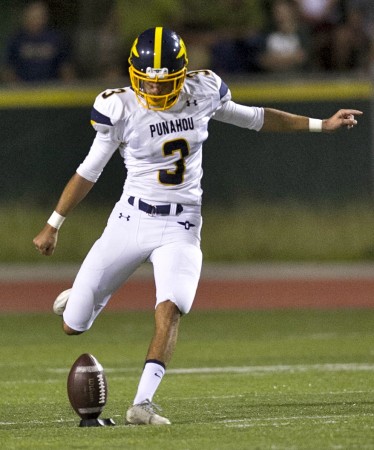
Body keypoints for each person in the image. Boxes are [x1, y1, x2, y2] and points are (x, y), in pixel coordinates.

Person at [33, 26, 362, 425]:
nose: (155, 93)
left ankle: (143, 403)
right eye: (148, 84)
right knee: (73, 327)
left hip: (181, 224)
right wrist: (54, 223)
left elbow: (257, 118)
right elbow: (89, 171)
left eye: (165, 83)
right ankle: (81, 294)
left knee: (171, 307)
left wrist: (320, 124)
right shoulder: (120, 108)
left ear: (182, 74)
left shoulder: (202, 93)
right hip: (129, 219)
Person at [2, 1, 75, 84]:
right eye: (32, 16)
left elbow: (66, 68)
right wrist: (16, 87)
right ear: (25, 17)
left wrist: (67, 87)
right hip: (23, 92)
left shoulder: (56, 39)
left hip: (52, 91)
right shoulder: (16, 40)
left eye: (39, 16)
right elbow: (7, 69)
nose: (36, 20)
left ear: (45, 17)